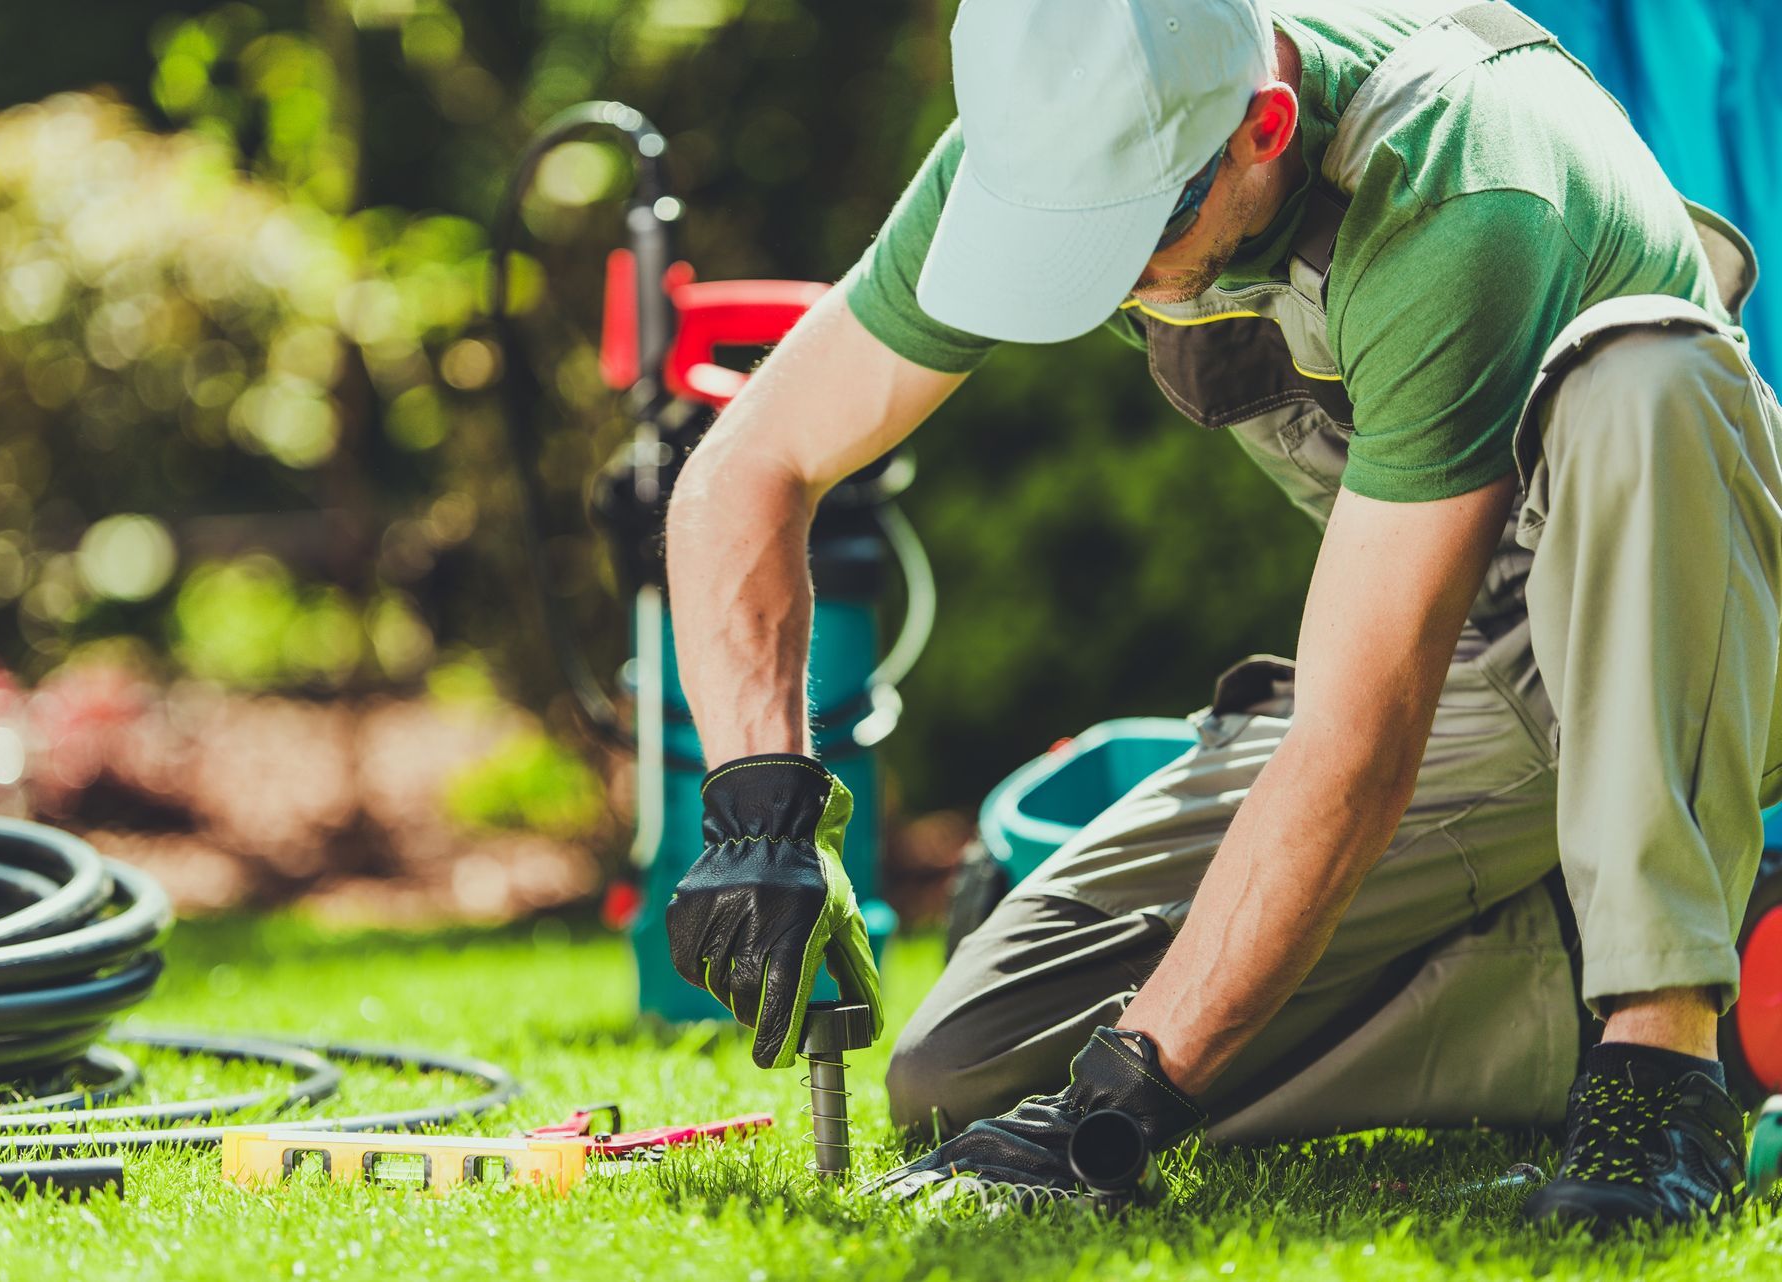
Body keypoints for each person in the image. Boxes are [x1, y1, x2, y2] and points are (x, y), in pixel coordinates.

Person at [660, 0, 1781, 1232]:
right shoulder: (1060, 122)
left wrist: (1134, 1094)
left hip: (1697, 635)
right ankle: (1654, 945)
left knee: (1645, 369)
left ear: (1265, 128)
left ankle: (1661, 1050)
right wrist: (757, 802)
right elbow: (747, 468)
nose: (1110, 280)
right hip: (1473, 669)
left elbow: (1357, 745)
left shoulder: (1460, 188)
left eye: (1134, 232)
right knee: (968, 1067)